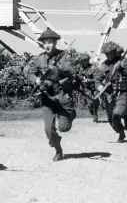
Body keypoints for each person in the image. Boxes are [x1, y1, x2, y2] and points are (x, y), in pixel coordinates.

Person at [28, 28, 78, 162]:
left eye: (50, 42)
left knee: (64, 127)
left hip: (61, 96)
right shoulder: (39, 58)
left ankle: (71, 114)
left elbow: (72, 71)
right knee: (48, 129)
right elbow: (31, 74)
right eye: (45, 43)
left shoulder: (64, 56)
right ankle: (58, 150)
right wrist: (36, 79)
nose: (47, 45)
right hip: (47, 98)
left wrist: (60, 67)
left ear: (55, 43)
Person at [96, 41, 127, 143]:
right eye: (106, 53)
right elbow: (97, 79)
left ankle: (125, 116)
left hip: (122, 92)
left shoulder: (124, 61)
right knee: (111, 118)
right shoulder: (103, 65)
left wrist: (122, 70)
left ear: (114, 51)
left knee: (117, 113)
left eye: (110, 52)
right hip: (109, 94)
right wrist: (100, 87)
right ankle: (121, 132)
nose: (109, 55)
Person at [76, 53, 100, 123]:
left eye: (86, 60)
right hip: (86, 89)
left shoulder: (93, 68)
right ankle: (93, 113)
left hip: (93, 87)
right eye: (83, 61)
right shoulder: (80, 69)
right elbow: (78, 77)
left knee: (94, 101)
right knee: (89, 105)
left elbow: (97, 78)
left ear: (88, 60)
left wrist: (89, 80)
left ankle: (95, 113)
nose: (84, 62)